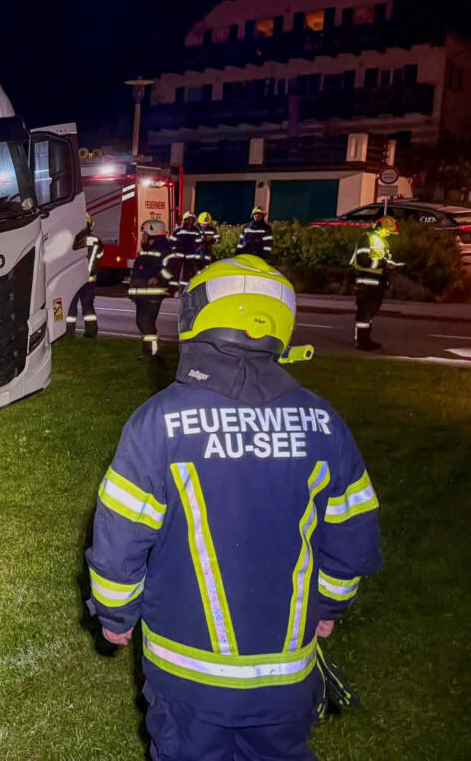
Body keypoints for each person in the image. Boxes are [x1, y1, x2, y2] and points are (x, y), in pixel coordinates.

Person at [86, 254, 383, 760]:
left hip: (189, 681)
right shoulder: (324, 423)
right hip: (286, 677)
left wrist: (115, 614)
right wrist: (329, 606)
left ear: (196, 316)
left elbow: (120, 537)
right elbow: (352, 534)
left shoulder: (157, 423)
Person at [350, 216, 402, 351]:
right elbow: (363, 260)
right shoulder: (366, 238)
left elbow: (379, 261)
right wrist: (384, 263)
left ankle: (366, 340)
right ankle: (362, 342)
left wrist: (387, 265)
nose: (389, 234)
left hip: (377, 284)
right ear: (380, 227)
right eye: (387, 231)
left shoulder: (383, 242)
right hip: (366, 282)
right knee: (364, 313)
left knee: (369, 313)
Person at [128, 220, 174, 356]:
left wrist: (158, 278)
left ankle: (151, 353)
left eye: (145, 234)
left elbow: (172, 269)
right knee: (143, 322)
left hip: (152, 294)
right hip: (142, 294)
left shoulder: (164, 250)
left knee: (146, 323)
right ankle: (148, 350)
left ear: (152, 234)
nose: (143, 237)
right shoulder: (148, 250)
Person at [71, 214, 102, 338]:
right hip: (89, 281)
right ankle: (91, 333)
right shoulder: (96, 240)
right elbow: (98, 257)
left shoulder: (73, 238)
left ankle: (68, 333)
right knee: (88, 307)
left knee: (71, 308)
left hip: (74, 279)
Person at [168, 211, 200, 290]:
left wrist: (196, 251)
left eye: (191, 219)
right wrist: (174, 249)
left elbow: (199, 242)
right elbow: (171, 242)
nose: (189, 221)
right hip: (179, 256)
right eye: (188, 219)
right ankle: (172, 290)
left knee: (186, 275)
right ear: (184, 220)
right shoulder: (178, 230)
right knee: (175, 273)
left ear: (193, 220)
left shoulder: (196, 230)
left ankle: (182, 290)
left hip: (190, 256)